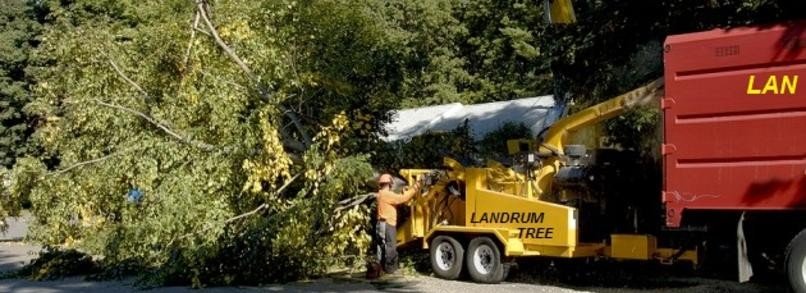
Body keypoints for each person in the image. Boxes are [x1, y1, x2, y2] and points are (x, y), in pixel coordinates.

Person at [375, 173, 421, 274]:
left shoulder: (380, 194)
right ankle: (390, 269)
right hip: (388, 224)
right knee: (391, 246)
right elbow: (403, 199)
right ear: (389, 184)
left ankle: (382, 267)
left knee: (382, 246)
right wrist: (416, 187)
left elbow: (397, 198)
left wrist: (404, 191)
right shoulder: (387, 194)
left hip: (381, 224)